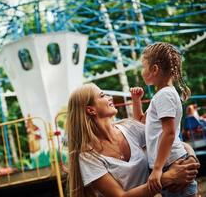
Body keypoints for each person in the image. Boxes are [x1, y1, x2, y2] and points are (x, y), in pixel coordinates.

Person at [66, 83, 200, 197]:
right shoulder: (88, 156)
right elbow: (121, 196)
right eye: (102, 95)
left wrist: (191, 161)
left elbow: (174, 143)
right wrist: (167, 178)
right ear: (91, 110)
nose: (109, 97)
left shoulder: (129, 127)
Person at [130, 42, 199, 197]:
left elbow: (169, 133)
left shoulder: (165, 95)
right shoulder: (162, 95)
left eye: (143, 66)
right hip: (167, 163)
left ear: (154, 69)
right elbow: (141, 121)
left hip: (170, 163)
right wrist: (136, 100)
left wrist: (157, 169)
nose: (142, 71)